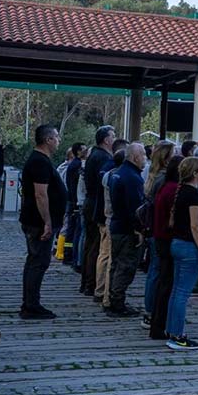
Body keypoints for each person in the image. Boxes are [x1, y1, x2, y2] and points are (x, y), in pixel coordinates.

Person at [18, 124, 65, 319]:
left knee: (36, 261)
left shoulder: (42, 160)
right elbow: (40, 194)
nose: (58, 141)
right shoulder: (40, 162)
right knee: (38, 262)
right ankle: (31, 305)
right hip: (38, 223)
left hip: (38, 221)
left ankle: (31, 302)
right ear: (48, 140)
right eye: (56, 137)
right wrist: (47, 221)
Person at [165, 157, 198, 350]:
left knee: (177, 290)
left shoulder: (180, 191)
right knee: (183, 292)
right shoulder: (193, 195)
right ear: (195, 173)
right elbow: (196, 225)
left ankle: (172, 329)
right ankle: (178, 336)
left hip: (177, 243)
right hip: (188, 246)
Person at [106, 143, 146, 317]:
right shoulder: (132, 177)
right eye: (143, 155)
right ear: (135, 157)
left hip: (117, 225)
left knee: (116, 265)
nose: (145, 158)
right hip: (127, 229)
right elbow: (135, 208)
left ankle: (113, 299)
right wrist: (138, 230)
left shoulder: (118, 173)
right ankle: (117, 303)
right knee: (126, 266)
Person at [142, 141, 177, 328]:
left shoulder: (151, 175)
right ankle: (152, 311)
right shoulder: (163, 179)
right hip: (160, 229)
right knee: (158, 270)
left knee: (153, 270)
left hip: (151, 227)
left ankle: (149, 309)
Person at [149, 156, 183, 339]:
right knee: (168, 284)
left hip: (160, 237)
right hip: (168, 239)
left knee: (164, 282)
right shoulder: (173, 190)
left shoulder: (163, 186)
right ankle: (161, 324)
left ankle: (158, 322)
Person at [81, 125, 116, 296]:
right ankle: (92, 282)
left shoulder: (94, 155)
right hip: (97, 204)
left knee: (91, 244)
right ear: (106, 140)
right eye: (113, 136)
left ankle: (87, 281)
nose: (115, 139)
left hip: (91, 202)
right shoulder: (102, 157)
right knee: (97, 246)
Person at [95, 140, 129, 306]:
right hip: (113, 220)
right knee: (111, 260)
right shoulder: (118, 177)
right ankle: (107, 297)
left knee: (104, 255)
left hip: (105, 217)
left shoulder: (107, 175)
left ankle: (100, 289)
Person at [63, 143, 86, 266]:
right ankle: (69, 254)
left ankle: (68, 253)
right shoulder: (77, 165)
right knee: (75, 229)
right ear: (78, 152)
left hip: (71, 199)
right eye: (83, 149)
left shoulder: (73, 164)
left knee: (71, 228)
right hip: (74, 201)